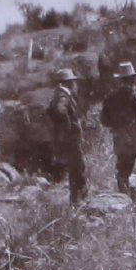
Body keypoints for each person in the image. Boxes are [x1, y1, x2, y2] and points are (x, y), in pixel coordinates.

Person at [100, 61, 136, 202]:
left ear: (120, 80)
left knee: (123, 172)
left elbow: (104, 120)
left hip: (121, 140)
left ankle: (123, 199)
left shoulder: (110, 99)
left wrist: (117, 126)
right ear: (133, 79)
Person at [47, 68, 88, 205]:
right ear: (69, 83)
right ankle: (78, 200)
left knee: (75, 168)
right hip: (70, 140)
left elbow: (50, 111)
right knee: (77, 168)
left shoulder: (58, 95)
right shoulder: (63, 96)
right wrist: (70, 127)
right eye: (73, 82)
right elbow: (60, 111)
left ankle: (76, 199)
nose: (75, 85)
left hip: (65, 139)